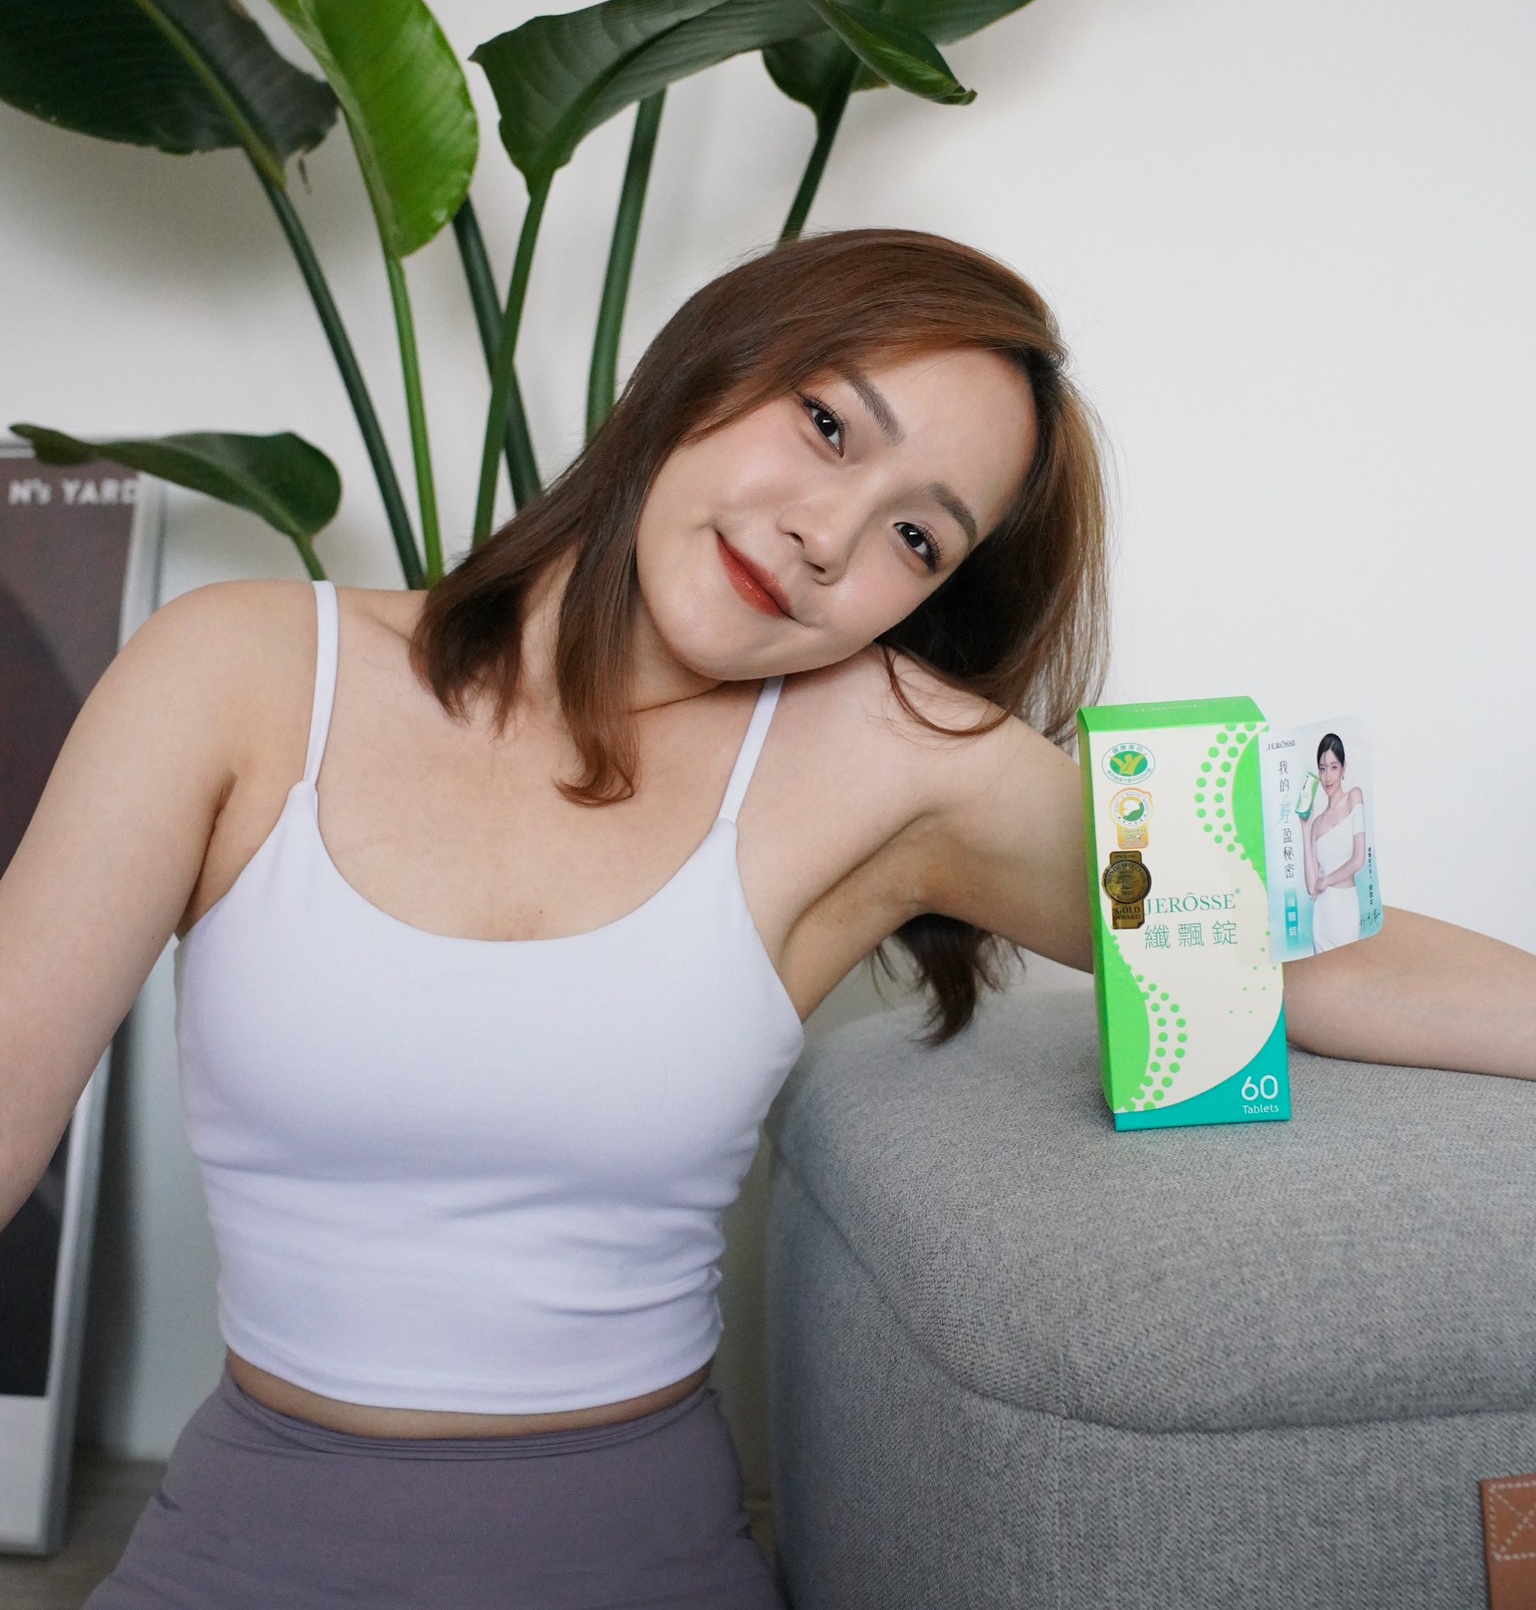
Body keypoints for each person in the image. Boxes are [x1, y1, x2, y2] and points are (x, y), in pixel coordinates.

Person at [1, 230, 1531, 1609]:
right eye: (827, 426)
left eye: (917, 538)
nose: (827, 536)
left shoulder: (885, 757)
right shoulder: (249, 672)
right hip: (242, 1545)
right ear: (706, 369)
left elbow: (1296, 942)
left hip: (638, 1560)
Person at [1303, 730, 1367, 952]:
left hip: (1345, 908)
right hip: (1322, 915)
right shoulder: (1317, 823)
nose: (1328, 777)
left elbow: (1358, 859)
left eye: (1333, 767)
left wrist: (1327, 880)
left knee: (1348, 966)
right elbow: (1311, 885)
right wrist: (1305, 827)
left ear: (1343, 769)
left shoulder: (1354, 798)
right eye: (1322, 768)